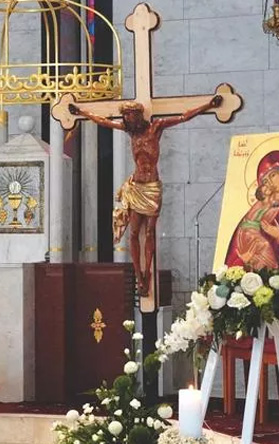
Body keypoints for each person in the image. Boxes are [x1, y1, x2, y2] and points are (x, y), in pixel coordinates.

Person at [69, 95, 223, 296]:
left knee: (149, 231)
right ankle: (138, 275)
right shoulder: (130, 132)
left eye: (130, 115)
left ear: (138, 115)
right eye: (125, 116)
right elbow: (104, 122)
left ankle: (147, 271)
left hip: (151, 188)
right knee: (133, 233)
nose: (127, 119)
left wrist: (208, 105)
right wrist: (82, 112)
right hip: (136, 187)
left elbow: (184, 117)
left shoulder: (156, 127)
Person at [224, 150, 279, 269]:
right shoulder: (259, 206)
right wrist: (242, 260)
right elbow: (237, 248)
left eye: (272, 175)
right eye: (264, 180)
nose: (268, 181)